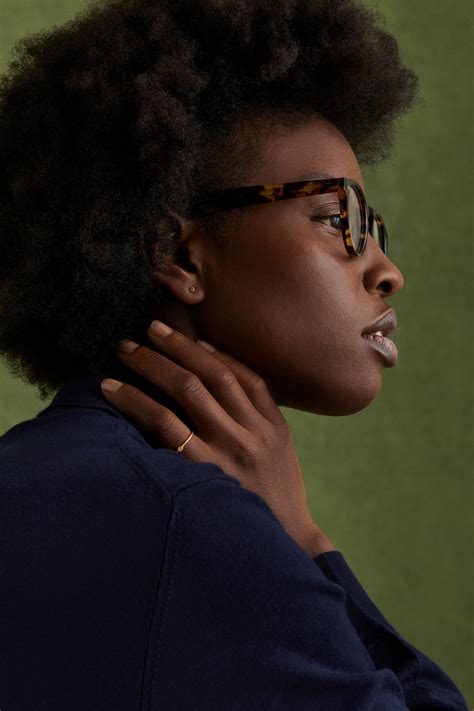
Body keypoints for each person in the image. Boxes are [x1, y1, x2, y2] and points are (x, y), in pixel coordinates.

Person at [0, 0, 468, 708]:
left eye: (374, 228)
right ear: (179, 254)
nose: (387, 271)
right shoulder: (197, 523)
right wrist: (302, 537)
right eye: (337, 219)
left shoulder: (29, 476)